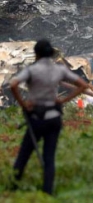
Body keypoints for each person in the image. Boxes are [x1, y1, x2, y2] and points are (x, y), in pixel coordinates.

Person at [9, 40, 88, 195]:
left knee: (24, 153)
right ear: (51, 54)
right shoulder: (59, 69)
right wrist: (63, 100)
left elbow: (13, 84)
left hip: (36, 118)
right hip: (54, 117)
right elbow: (83, 85)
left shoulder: (32, 70)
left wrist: (23, 104)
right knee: (49, 156)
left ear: (36, 54)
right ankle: (47, 191)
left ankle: (13, 187)